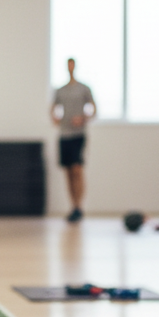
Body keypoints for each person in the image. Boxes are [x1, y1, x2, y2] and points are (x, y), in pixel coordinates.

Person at [51, 57, 96, 222]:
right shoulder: (60, 90)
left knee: (77, 169)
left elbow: (94, 108)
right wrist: (55, 118)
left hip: (78, 135)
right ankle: (73, 206)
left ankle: (79, 205)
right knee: (69, 172)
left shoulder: (84, 89)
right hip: (64, 135)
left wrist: (83, 118)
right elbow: (53, 108)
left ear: (75, 67)